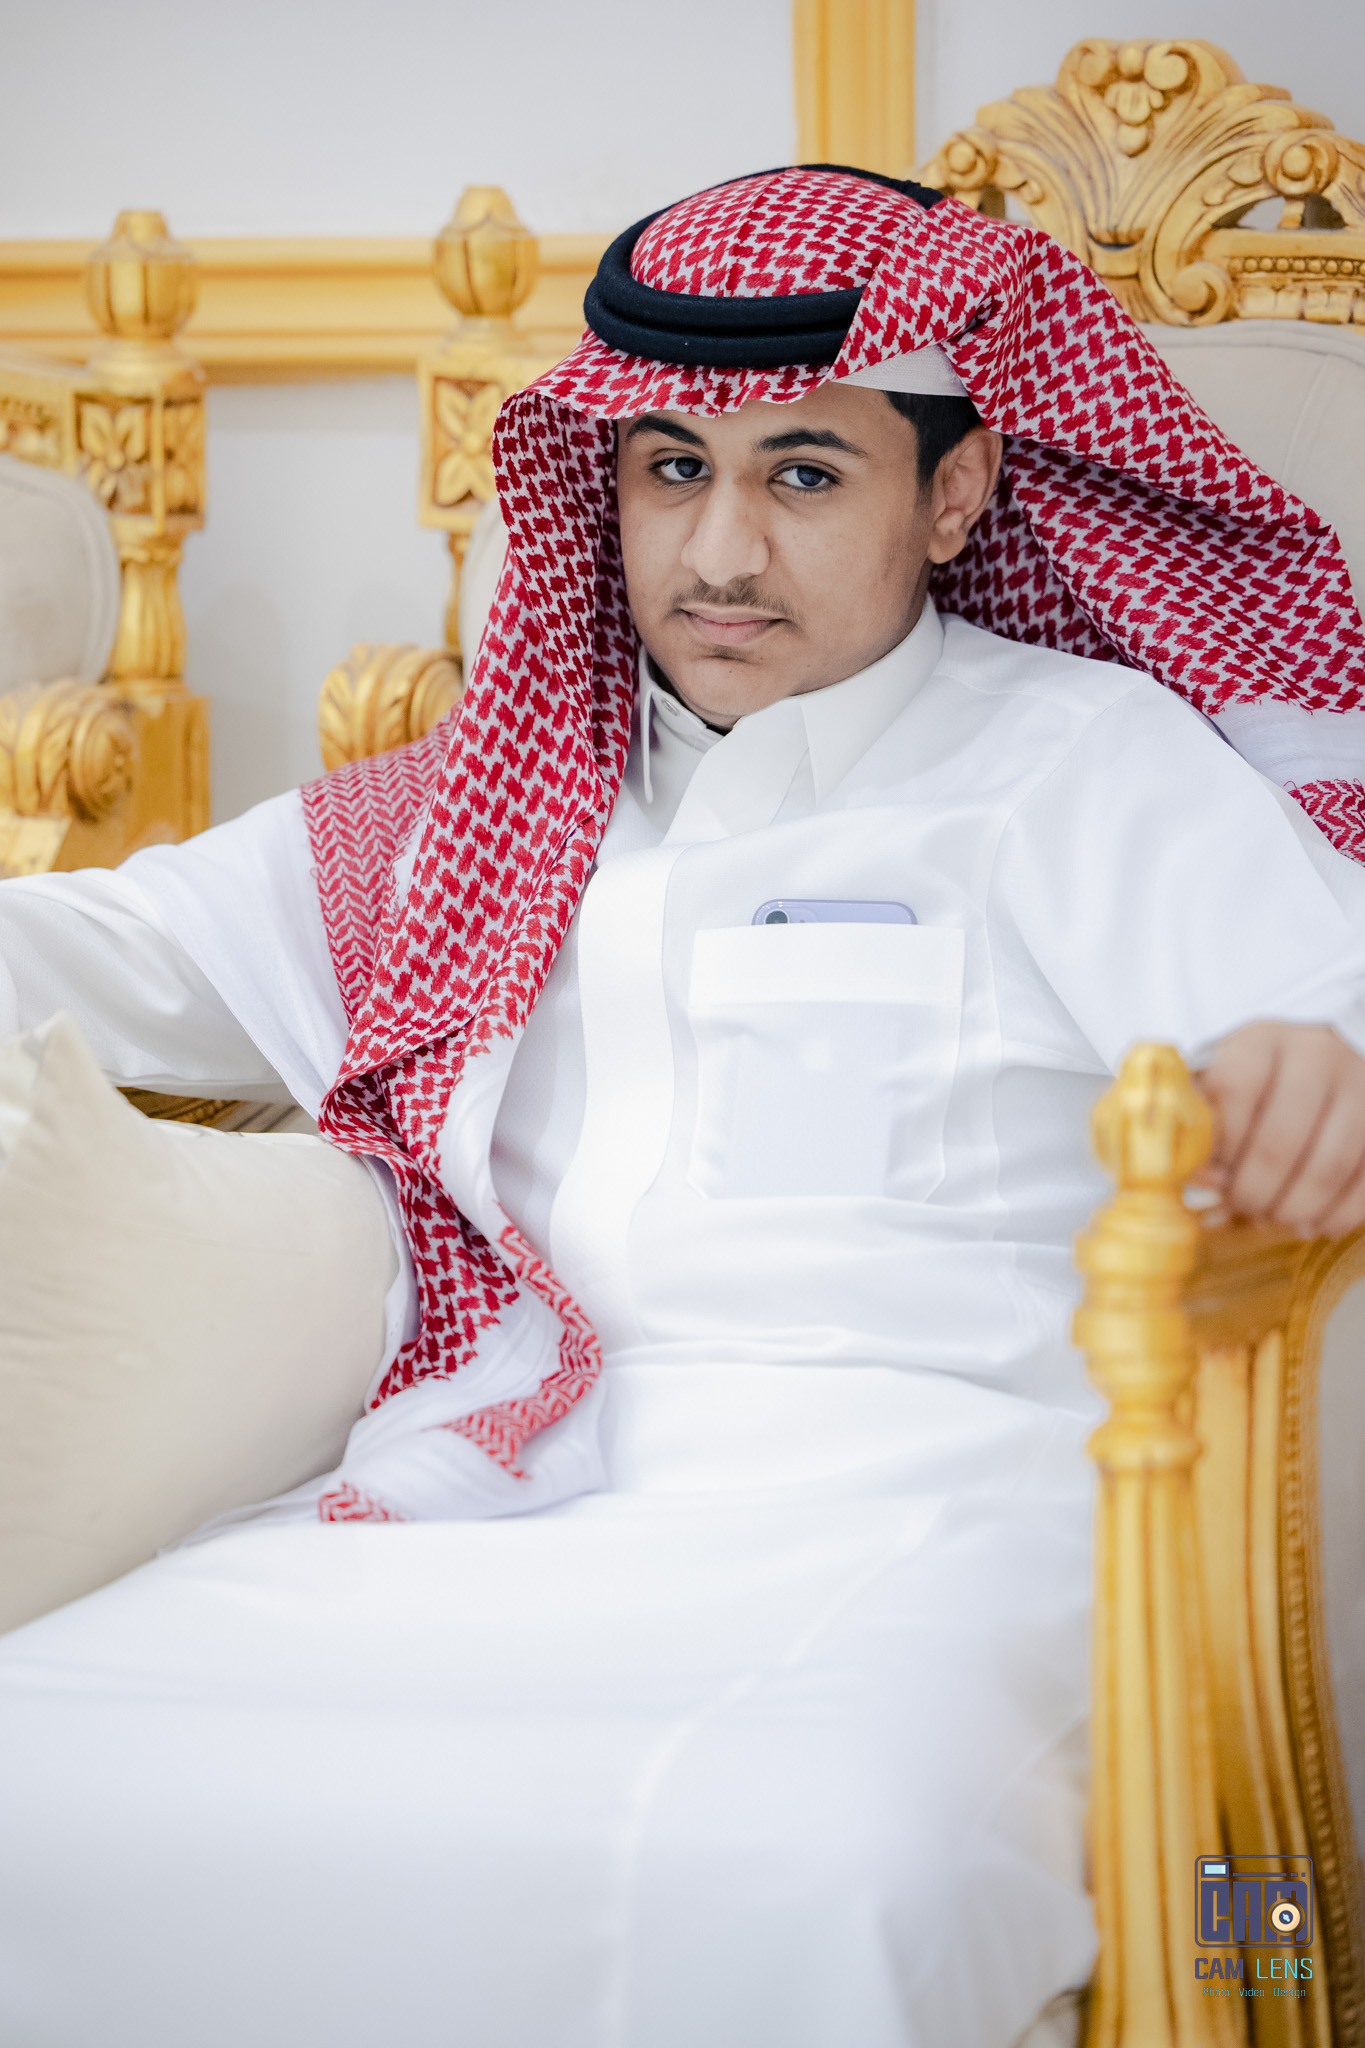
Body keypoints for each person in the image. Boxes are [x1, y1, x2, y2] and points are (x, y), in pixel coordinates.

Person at [1, 164, 1365, 2048]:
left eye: (802, 473)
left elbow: (1313, 1006)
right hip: (493, 1482)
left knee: (811, 1869)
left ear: (952, 492)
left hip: (948, 1508)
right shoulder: (494, 800)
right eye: (670, 470)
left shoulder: (1080, 762)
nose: (720, 550)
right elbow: (91, 953)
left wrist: (1311, 1065)